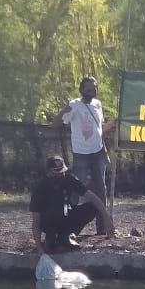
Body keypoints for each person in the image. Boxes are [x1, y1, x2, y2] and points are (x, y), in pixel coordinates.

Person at [53, 76, 116, 237]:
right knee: (75, 190)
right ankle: (69, 226)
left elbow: (100, 128)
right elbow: (56, 123)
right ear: (81, 90)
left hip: (98, 152)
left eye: (94, 88)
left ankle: (101, 227)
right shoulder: (74, 105)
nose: (91, 91)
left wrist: (114, 123)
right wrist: (62, 112)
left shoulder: (97, 104)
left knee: (101, 189)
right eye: (88, 88)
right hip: (81, 154)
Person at [30, 156, 112, 254]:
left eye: (61, 172)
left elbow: (93, 197)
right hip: (48, 220)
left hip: (66, 213)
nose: (60, 175)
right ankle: (51, 238)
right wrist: (39, 247)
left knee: (92, 207)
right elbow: (36, 222)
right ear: (48, 172)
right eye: (55, 173)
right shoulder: (40, 188)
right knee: (57, 210)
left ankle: (65, 236)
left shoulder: (69, 179)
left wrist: (107, 218)